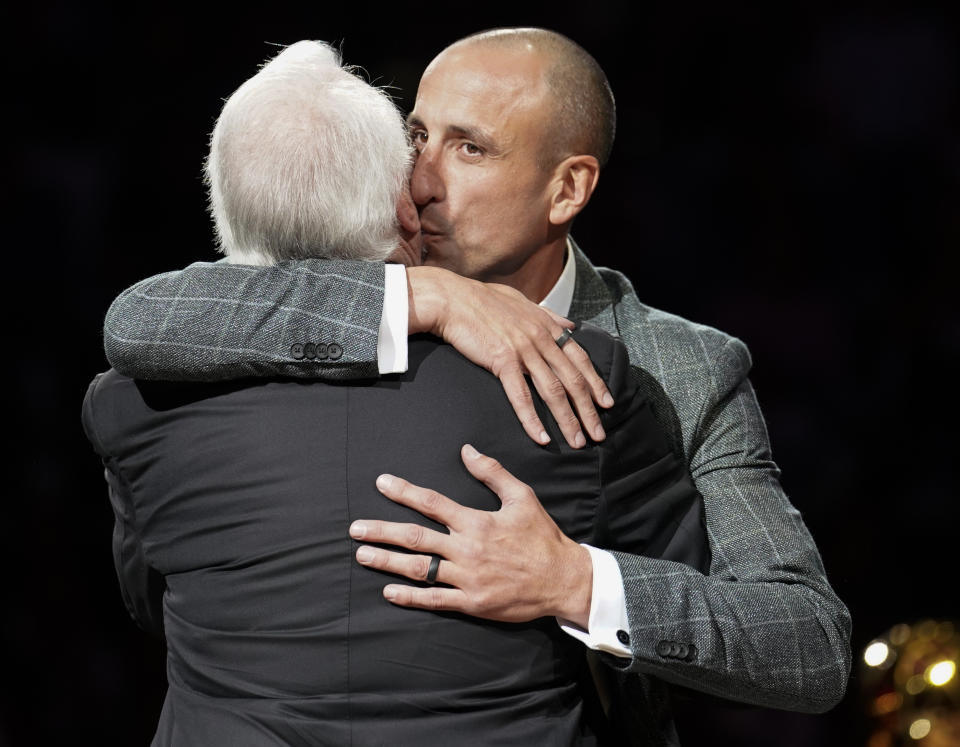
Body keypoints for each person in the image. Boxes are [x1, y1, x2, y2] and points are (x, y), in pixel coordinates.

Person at [102, 28, 852, 744]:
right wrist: (423, 299)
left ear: (567, 188)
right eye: (418, 137)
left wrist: (573, 581)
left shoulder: (680, 366)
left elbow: (806, 644)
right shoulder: (354, 289)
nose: (422, 181)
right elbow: (142, 318)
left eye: (470, 148)